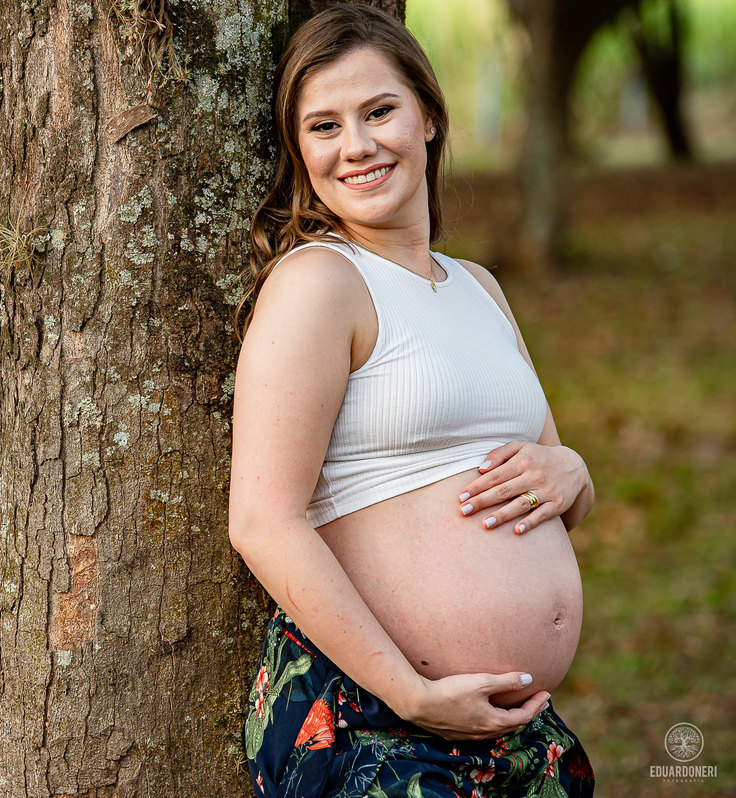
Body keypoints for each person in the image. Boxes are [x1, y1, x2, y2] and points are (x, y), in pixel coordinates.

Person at [227, 5, 596, 797]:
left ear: (428, 117)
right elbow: (263, 520)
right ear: (299, 149)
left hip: (517, 732)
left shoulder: (479, 288)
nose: (355, 146)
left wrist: (574, 473)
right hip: (381, 725)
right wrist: (409, 690)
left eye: (379, 111)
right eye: (323, 126)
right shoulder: (321, 284)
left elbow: (551, 475)